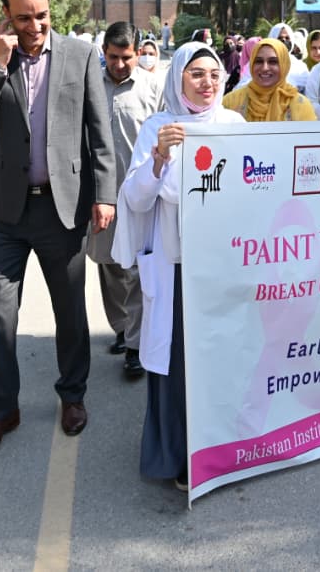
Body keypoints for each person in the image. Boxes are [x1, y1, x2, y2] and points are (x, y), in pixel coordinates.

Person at [0, 0, 115, 452]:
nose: (35, 26)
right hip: (6, 211)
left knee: (69, 310)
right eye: (24, 17)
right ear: (7, 15)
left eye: (42, 15)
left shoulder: (80, 54)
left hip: (62, 208)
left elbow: (99, 129)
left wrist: (105, 194)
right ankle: (4, 407)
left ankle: (73, 395)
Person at [111, 42, 244, 490]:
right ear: (178, 79)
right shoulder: (159, 127)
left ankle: (221, 450)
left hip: (222, 267)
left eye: (214, 74)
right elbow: (135, 199)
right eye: (196, 74)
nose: (207, 83)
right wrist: (159, 159)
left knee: (220, 359)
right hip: (176, 269)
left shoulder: (233, 126)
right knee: (177, 364)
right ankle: (178, 456)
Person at [87, 22, 164, 380]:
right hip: (100, 196)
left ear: (138, 54)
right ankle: (122, 327)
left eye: (127, 57)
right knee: (109, 265)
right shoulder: (89, 85)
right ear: (103, 52)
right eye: (113, 57)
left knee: (136, 269)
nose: (119, 64)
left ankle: (135, 345)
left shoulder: (153, 88)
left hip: (141, 194)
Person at [222, 37, 317, 122]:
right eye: (259, 61)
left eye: (273, 62)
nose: (265, 68)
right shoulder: (231, 102)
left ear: (284, 65)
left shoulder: (300, 105)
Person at [268, 23, 310, 89]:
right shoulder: (262, 63)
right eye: (280, 38)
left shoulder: (300, 66)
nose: (284, 40)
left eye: (287, 38)